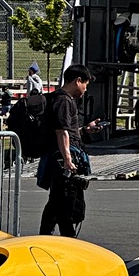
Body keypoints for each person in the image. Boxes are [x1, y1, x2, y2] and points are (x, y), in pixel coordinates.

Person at [39, 64, 103, 237]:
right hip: (62, 161)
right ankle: (69, 240)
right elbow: (61, 131)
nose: (85, 89)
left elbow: (67, 131)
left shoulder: (57, 98)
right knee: (66, 203)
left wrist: (84, 130)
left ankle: (46, 236)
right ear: (78, 81)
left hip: (59, 156)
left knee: (56, 203)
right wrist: (68, 160)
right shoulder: (64, 101)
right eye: (85, 84)